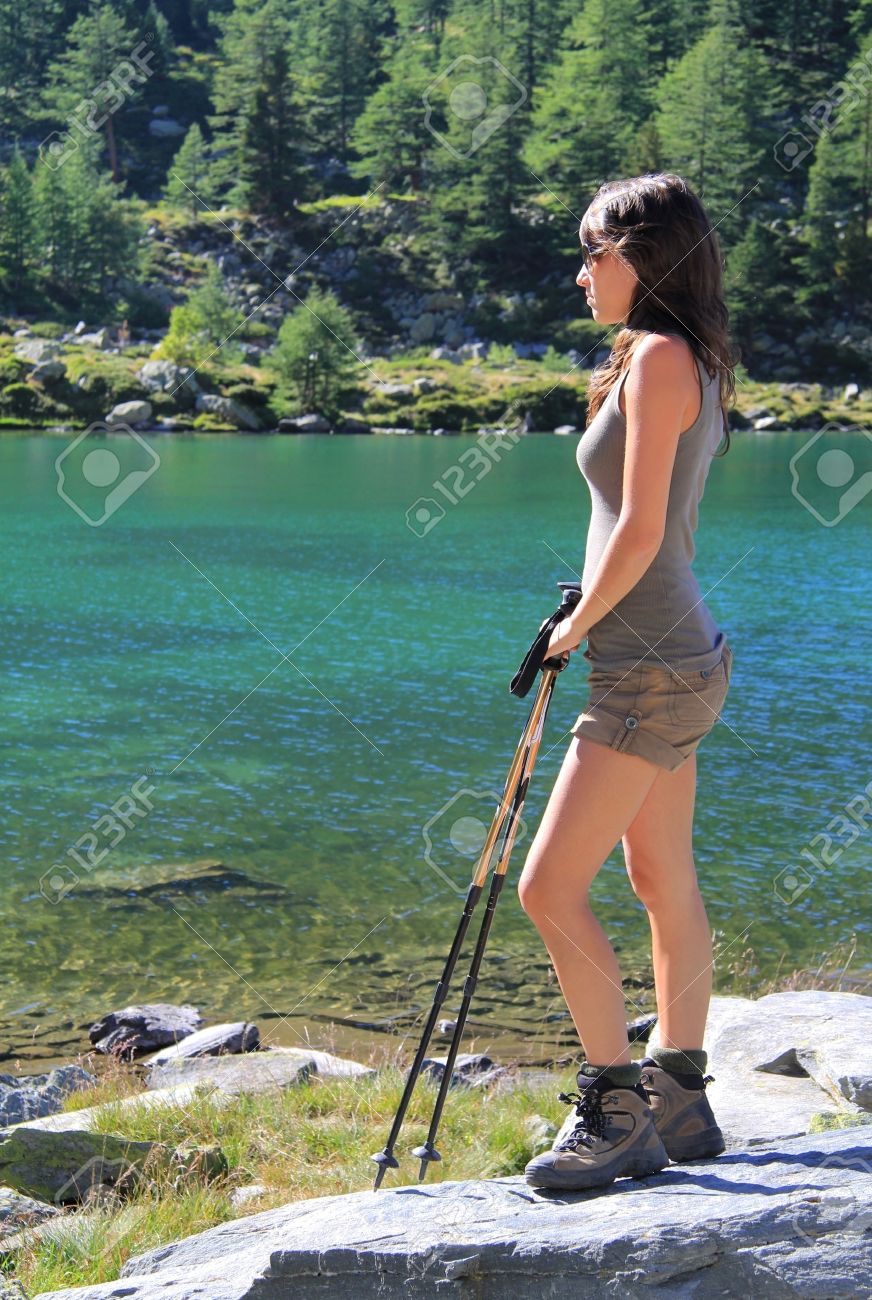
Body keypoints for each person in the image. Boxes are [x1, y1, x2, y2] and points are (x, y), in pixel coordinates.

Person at [519, 173, 738, 1192]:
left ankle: (614, 1112)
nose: (579, 272)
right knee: (660, 879)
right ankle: (679, 1092)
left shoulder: (656, 357)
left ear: (646, 255)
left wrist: (575, 623)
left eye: (592, 251)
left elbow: (641, 530)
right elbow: (635, 531)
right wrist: (590, 619)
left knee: (547, 886)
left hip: (645, 669)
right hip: (676, 657)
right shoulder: (679, 355)